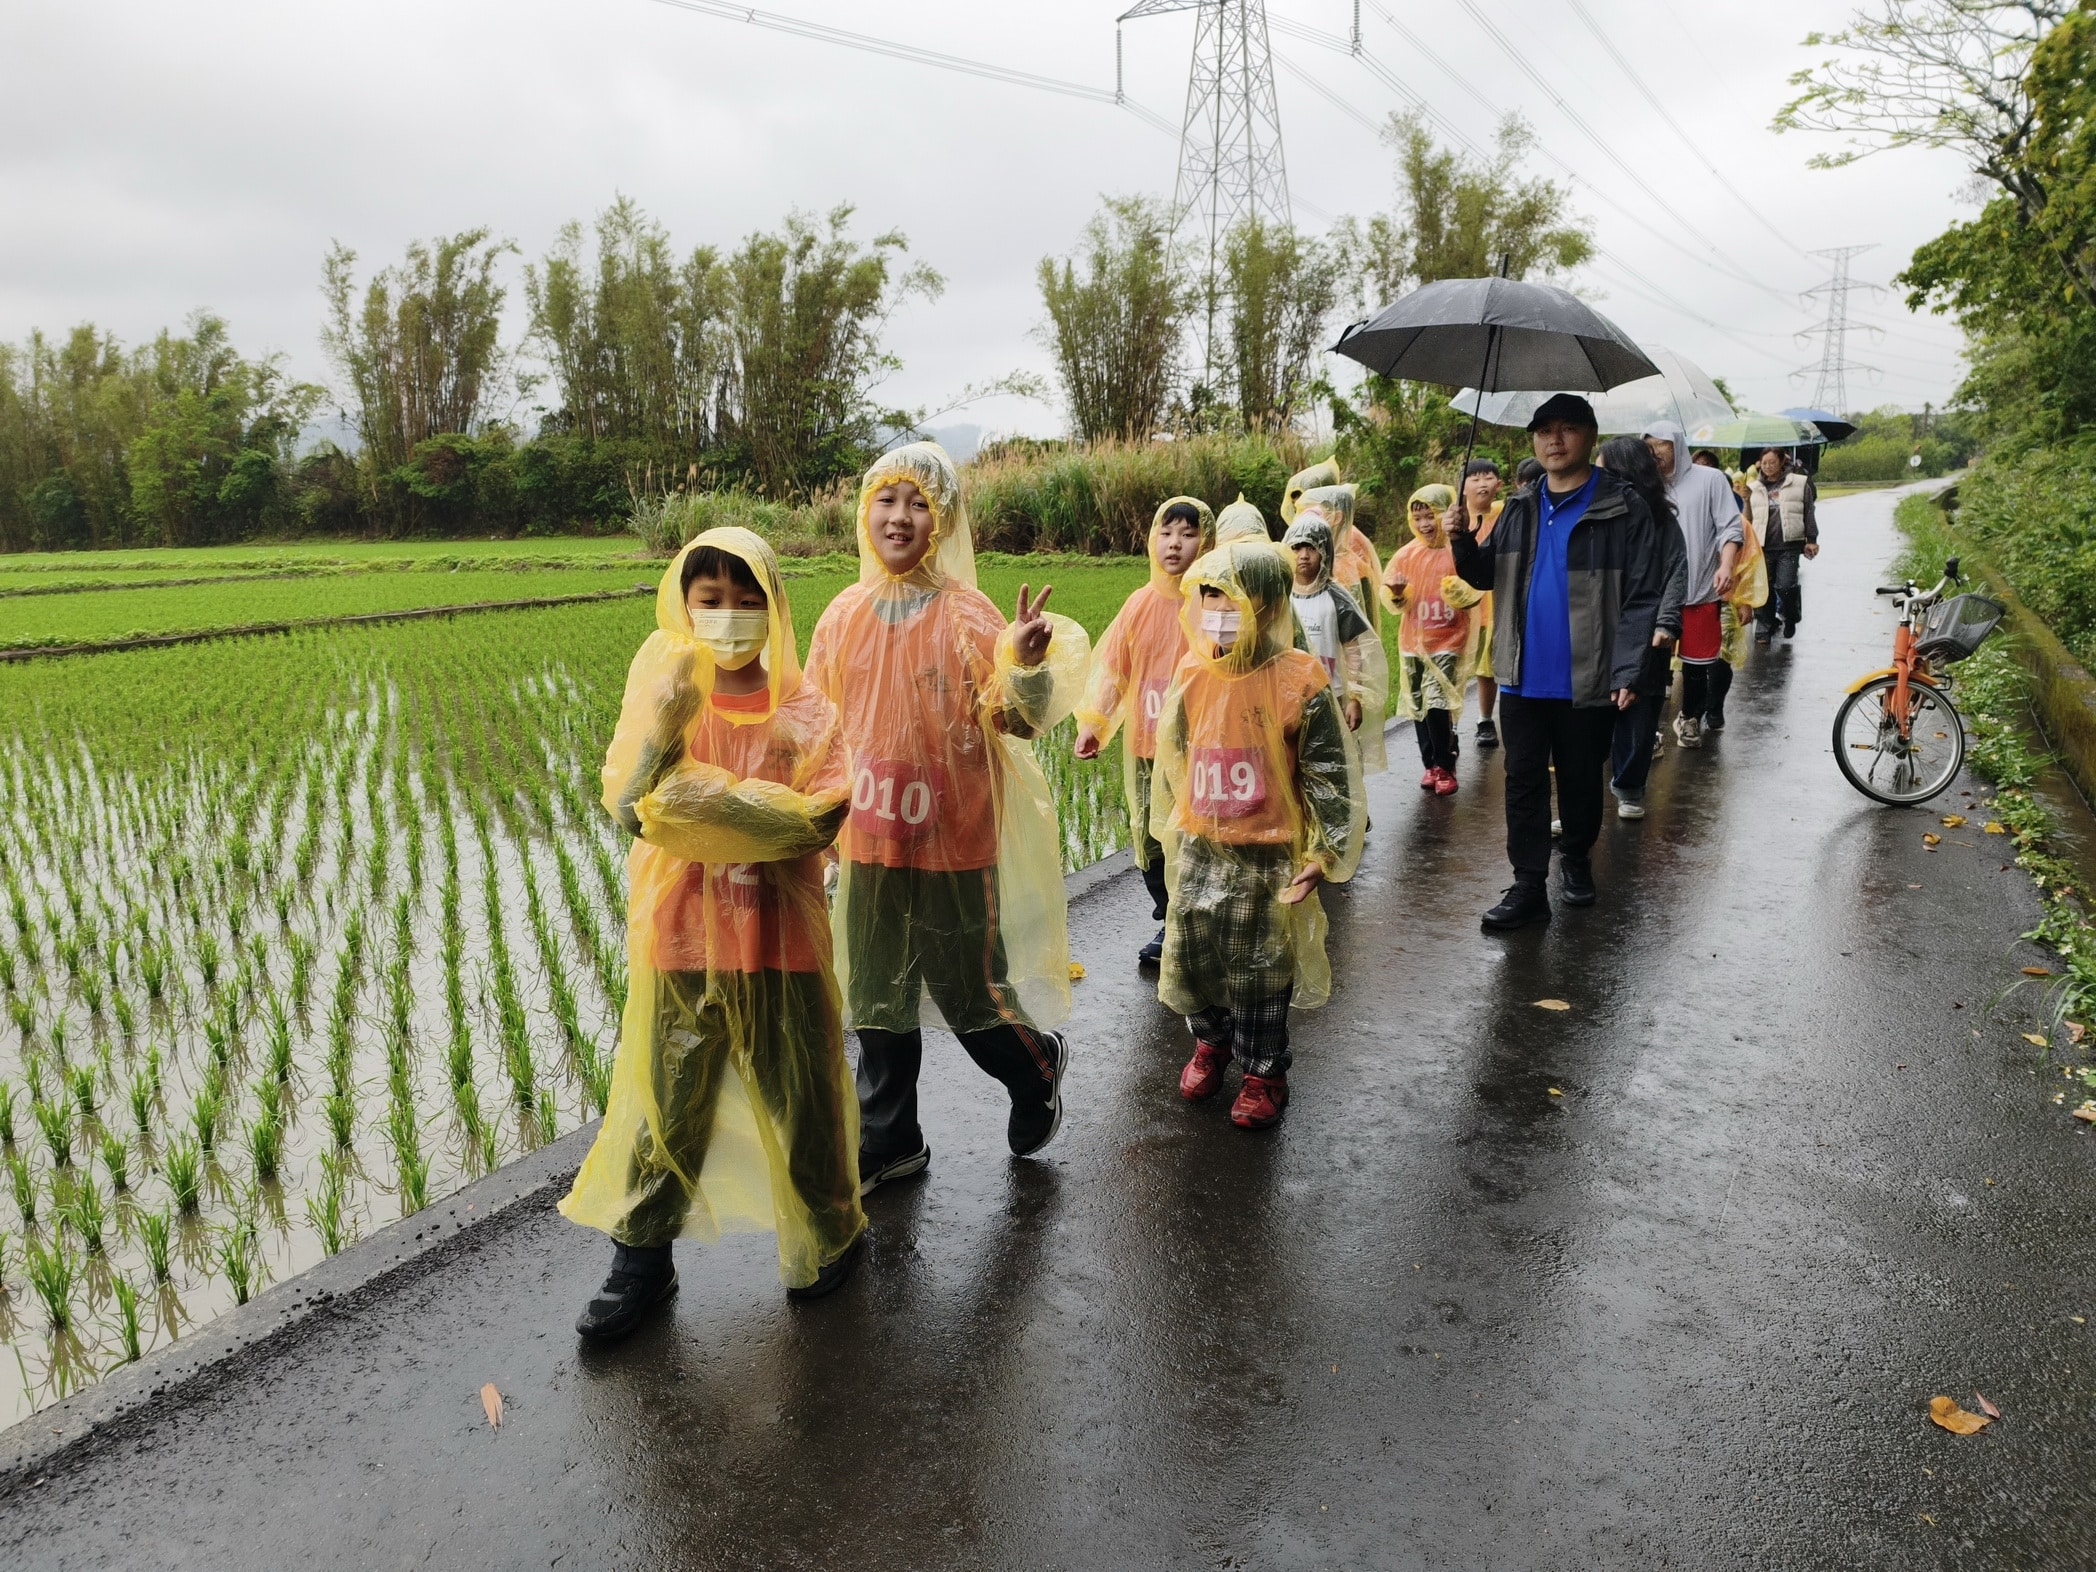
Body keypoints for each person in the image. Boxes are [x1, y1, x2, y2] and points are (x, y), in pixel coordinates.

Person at [563, 527, 866, 1340]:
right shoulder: (663, 692)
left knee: (802, 1099)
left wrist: (695, 802)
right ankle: (640, 1261)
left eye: (747, 600)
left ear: (775, 610)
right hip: (683, 938)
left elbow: (820, 819)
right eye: (711, 600)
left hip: (779, 940)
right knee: (667, 1103)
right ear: (683, 605)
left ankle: (831, 1236)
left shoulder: (805, 712)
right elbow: (632, 807)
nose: (729, 617)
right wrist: (668, 740)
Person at [804, 442, 1090, 1195]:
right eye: (886, 499)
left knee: (970, 998)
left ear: (946, 519)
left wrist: (1024, 664)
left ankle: (1036, 1070)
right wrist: (813, 830)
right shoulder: (841, 616)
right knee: (874, 995)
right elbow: (816, 730)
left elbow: (1016, 723)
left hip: (952, 845)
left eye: (918, 502)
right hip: (868, 841)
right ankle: (891, 1140)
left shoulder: (969, 615)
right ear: (865, 511)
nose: (899, 517)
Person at [1152, 540, 1365, 1129]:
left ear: (1268, 606)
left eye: (1232, 598)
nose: (1217, 610)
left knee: (1262, 968)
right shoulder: (1193, 670)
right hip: (1200, 846)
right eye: (1209, 596)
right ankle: (1211, 1042)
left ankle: (1263, 1071)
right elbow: (1174, 758)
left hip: (1268, 851)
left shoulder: (1300, 679)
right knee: (1191, 956)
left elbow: (1330, 777)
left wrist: (1324, 851)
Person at [1447, 394, 1665, 929]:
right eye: (1545, 431)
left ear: (1590, 436)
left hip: (1588, 674)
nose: (1555, 440)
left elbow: (1643, 593)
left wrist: (1629, 668)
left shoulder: (1623, 505)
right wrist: (1459, 537)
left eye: (1568, 429)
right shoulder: (1519, 506)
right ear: (1533, 441)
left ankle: (1575, 859)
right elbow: (1480, 577)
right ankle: (1527, 885)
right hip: (1520, 673)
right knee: (1521, 779)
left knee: (1581, 777)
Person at [1075, 496, 1213, 966]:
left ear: (1206, 541)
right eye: (1166, 532)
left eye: (1188, 534)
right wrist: (1094, 722)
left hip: (1198, 751)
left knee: (1192, 838)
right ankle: (1171, 918)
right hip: (1145, 747)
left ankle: (1192, 926)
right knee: (1149, 839)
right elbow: (1114, 669)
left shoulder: (1212, 603)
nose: (1175, 544)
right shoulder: (1139, 603)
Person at [1595, 438, 1686, 819]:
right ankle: (1579, 799)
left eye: (1602, 466)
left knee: (1638, 710)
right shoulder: (1596, 512)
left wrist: (1667, 621)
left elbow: (1676, 570)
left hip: (1645, 625)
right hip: (1599, 627)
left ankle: (1629, 786)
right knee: (1591, 715)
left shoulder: (1662, 520)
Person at [1643, 421, 1744, 751]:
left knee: (1698, 667)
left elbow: (1730, 527)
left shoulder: (1710, 480)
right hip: (1656, 595)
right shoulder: (1644, 484)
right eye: (1650, 446)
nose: (1656, 452)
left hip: (1701, 590)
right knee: (1654, 670)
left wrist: (1726, 565)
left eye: (1663, 444)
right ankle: (1650, 731)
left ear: (1678, 447)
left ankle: (1689, 717)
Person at [1381, 482, 1485, 796]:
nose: (1426, 524)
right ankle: (1430, 764)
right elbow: (1394, 602)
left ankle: (1445, 764)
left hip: (1449, 640)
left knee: (1437, 703)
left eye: (1432, 515)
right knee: (1418, 706)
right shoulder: (1405, 555)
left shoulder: (1460, 550)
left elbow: (1476, 590)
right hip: (1414, 643)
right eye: (1419, 518)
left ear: (1446, 514)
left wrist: (1460, 593)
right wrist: (1397, 594)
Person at [1283, 510, 1390, 777]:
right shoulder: (1282, 598)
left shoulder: (1336, 598)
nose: (1303, 555)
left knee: (1332, 758)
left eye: (1311, 547)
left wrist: (1355, 698)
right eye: (1296, 547)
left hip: (1333, 694)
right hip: (1289, 697)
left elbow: (1354, 647)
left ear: (1325, 553)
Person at [1745, 447, 1819, 645]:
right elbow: (1747, 518)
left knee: (1785, 586)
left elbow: (1809, 511)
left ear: (1781, 462)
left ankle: (1791, 616)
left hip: (1789, 545)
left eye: (1773, 462)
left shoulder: (1799, 483)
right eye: (1765, 462)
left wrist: (1811, 539)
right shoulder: (1753, 487)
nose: (1768, 466)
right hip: (1762, 546)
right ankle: (1764, 625)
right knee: (1764, 588)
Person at [1459, 460, 1506, 749]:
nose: (1482, 484)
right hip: (1461, 610)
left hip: (1496, 606)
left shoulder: (1506, 515)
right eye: (1474, 479)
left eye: (1488, 477)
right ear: (1463, 486)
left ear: (1499, 485)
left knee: (1488, 667)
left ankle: (1485, 719)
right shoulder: (1455, 518)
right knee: (1458, 667)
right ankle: (1449, 724)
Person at [1295, 482, 1383, 630]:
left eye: (1315, 514)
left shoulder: (1356, 569)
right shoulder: (1308, 560)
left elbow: (1367, 630)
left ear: (1337, 517)